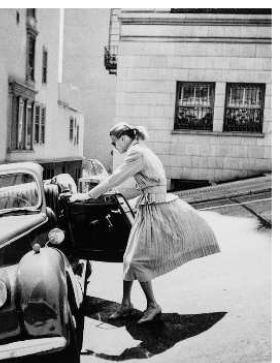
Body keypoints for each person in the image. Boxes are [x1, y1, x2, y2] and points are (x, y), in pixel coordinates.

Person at [69, 122, 220, 324]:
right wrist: (120, 195)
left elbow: (115, 178)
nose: (115, 147)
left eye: (115, 143)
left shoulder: (136, 154)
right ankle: (125, 304)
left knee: (137, 260)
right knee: (128, 257)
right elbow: (148, 185)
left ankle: (152, 305)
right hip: (150, 206)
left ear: (123, 138)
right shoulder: (144, 151)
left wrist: (87, 195)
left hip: (153, 210)